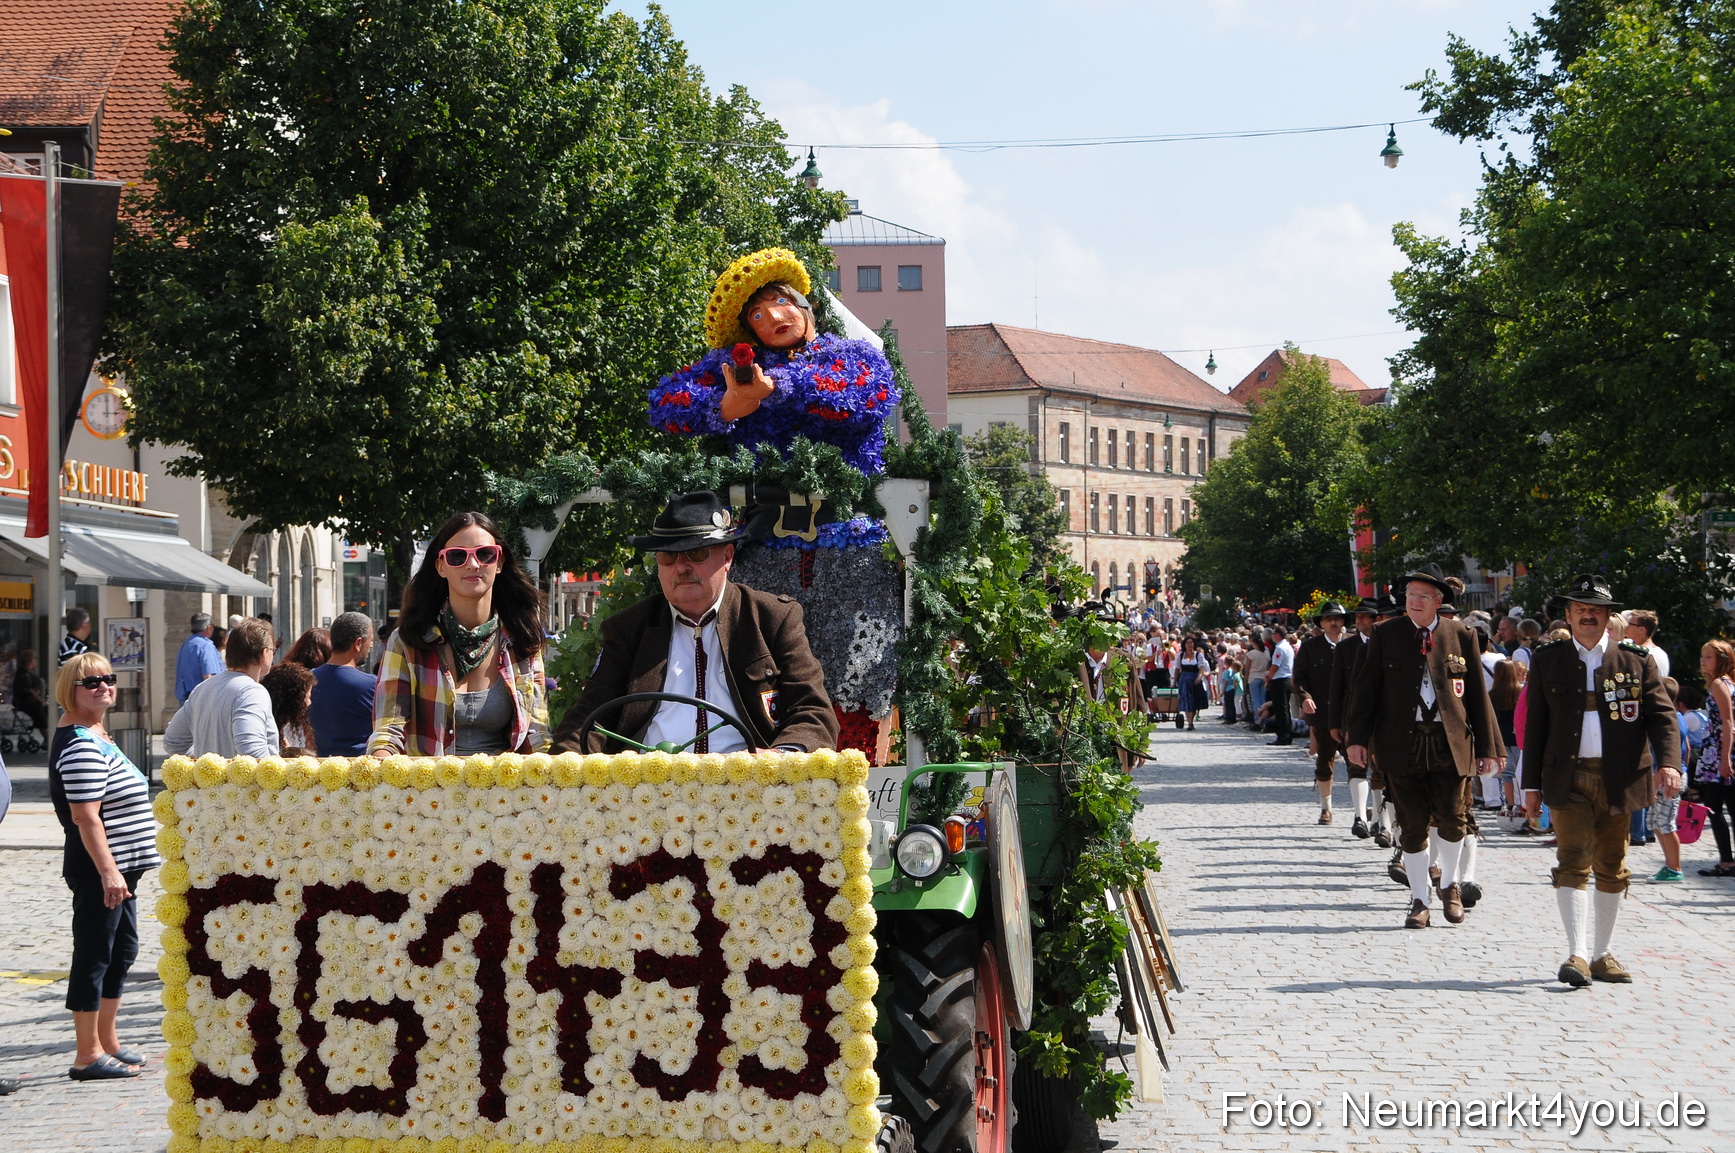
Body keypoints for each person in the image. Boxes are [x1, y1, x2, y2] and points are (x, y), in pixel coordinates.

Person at [552, 492, 838, 755]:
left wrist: (778, 757)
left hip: (747, 787)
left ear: (727, 556)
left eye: (697, 553)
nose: (682, 567)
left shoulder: (771, 618)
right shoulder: (629, 628)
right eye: (669, 555)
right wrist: (566, 764)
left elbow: (813, 712)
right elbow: (590, 716)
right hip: (648, 788)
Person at [1523, 575, 1680, 986]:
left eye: (1595, 609)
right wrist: (1530, 786)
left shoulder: (1635, 660)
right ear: (1569, 616)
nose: (1587, 615)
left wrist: (1670, 764)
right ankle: (1575, 953)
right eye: (1580, 609)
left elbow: (1662, 718)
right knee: (1573, 859)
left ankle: (1601, 954)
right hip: (1567, 776)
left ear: (1608, 616)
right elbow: (1535, 727)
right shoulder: (1547, 658)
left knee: (1612, 864)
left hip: (1620, 777)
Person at [1346, 563, 1501, 929]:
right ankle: (1418, 899)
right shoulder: (1386, 635)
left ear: (1438, 601)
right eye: (1410, 595)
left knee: (1453, 818)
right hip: (1402, 742)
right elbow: (1365, 692)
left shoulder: (1461, 635)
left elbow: (1477, 696)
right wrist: (1357, 739)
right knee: (1412, 825)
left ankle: (1448, 886)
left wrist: (1490, 747)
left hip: (1452, 742)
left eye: (1423, 596)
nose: (1414, 601)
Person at [48, 652, 159, 1081]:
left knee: (122, 950)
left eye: (108, 679)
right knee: (94, 954)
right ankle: (86, 1053)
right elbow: (85, 817)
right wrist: (109, 872)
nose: (102, 686)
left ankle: (108, 1039)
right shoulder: (79, 743)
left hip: (122, 867)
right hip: (101, 869)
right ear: (69, 691)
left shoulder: (97, 733)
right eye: (91, 682)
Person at [371, 512, 549, 757]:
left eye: (485, 554)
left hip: (504, 789)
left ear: (499, 563)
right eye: (457, 556)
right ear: (441, 566)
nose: (473, 564)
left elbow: (537, 736)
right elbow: (387, 732)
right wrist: (382, 767)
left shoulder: (522, 639)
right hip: (427, 789)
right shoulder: (407, 641)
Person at [163, 618, 279, 758]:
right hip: (242, 780)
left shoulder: (203, 688)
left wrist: (205, 764)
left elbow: (173, 741)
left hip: (210, 780)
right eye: (273, 650)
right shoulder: (251, 692)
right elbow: (252, 752)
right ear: (264, 653)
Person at [1328, 598, 1382, 840]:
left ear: (1376, 619)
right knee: (1356, 766)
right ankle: (1359, 816)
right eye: (1357, 616)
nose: (1359, 620)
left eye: (1364, 616)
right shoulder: (1345, 648)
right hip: (1354, 714)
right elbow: (1336, 688)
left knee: (1382, 769)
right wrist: (1334, 723)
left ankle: (1381, 820)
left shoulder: (1389, 644)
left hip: (1384, 715)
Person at [1294, 603, 1348, 826]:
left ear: (1344, 621)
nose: (1333, 622)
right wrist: (1305, 697)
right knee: (1324, 762)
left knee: (1360, 765)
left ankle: (1362, 813)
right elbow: (1299, 678)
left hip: (1351, 714)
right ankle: (1326, 808)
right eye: (1328, 619)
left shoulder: (1355, 644)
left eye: (1337, 618)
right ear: (1322, 623)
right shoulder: (1310, 647)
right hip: (1323, 713)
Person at [1691, 640, 1735, 878]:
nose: (1702, 661)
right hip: (1719, 751)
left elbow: (1728, 722)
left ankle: (1727, 861)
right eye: (1702, 656)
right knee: (1728, 807)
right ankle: (1728, 860)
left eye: (1708, 657)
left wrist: (1725, 759)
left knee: (1714, 808)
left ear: (1721, 661)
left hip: (1719, 753)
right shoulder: (1726, 683)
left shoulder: (1720, 683)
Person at [309, 612, 378, 757]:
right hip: (360, 771)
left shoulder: (308, 679)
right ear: (358, 643)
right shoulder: (372, 685)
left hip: (318, 770)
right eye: (370, 640)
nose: (371, 645)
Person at [260, 661, 316, 756]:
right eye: (307, 697)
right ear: (293, 699)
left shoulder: (280, 729)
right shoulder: (269, 731)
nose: (309, 703)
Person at [173, 612, 224, 705]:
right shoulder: (206, 646)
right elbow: (208, 676)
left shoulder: (186, 644)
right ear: (209, 628)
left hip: (186, 699)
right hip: (203, 700)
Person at [1266, 625, 1295, 745]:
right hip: (1287, 679)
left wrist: (1269, 678)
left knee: (1280, 710)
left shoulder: (1280, 648)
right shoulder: (1287, 646)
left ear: (1278, 634)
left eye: (1273, 634)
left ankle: (1283, 735)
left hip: (1280, 679)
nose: (1272, 636)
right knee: (1285, 709)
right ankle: (1286, 734)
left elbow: (1275, 666)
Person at [1173, 634, 1209, 731]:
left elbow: (1201, 668)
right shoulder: (1180, 656)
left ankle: (1191, 721)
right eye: (1188, 643)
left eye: (1191, 643)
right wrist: (1174, 682)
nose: (1190, 645)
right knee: (1186, 700)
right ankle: (1189, 722)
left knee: (1193, 701)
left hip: (1194, 679)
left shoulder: (1198, 655)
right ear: (1184, 644)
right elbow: (1177, 669)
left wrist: (1199, 677)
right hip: (1184, 679)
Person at [1623, 609, 1669, 680]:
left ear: (1641, 629)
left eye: (1630, 624)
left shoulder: (1654, 655)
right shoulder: (1627, 644)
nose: (1626, 627)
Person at [12, 648, 47, 737]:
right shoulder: (23, 673)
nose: (36, 660)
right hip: (26, 701)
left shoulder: (31, 672)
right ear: (30, 660)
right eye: (34, 658)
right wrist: (40, 701)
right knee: (39, 714)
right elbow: (29, 690)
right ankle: (47, 737)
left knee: (46, 711)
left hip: (33, 701)